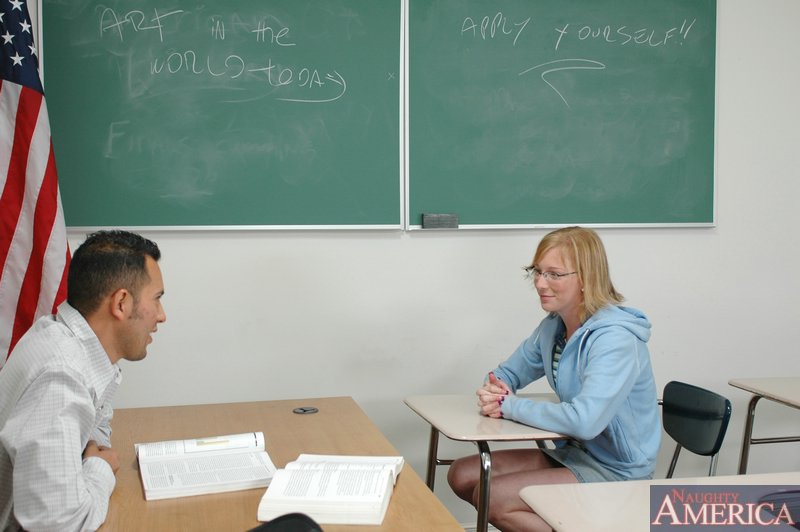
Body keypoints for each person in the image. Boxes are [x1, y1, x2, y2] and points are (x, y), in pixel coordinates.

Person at [447, 226, 660, 532]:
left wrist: (506, 406)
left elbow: (585, 421)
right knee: (463, 474)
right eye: (536, 272)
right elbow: (508, 372)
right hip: (575, 453)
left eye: (554, 274)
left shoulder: (615, 339)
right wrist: (497, 387)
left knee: (491, 495)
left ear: (586, 278)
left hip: (617, 471)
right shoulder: (555, 326)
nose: (539, 283)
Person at [0, 230, 166, 531]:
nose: (161, 315)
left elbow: (96, 431)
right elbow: (58, 524)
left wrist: (92, 457)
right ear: (121, 303)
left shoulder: (65, 341)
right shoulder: (62, 375)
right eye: (156, 300)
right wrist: (99, 470)